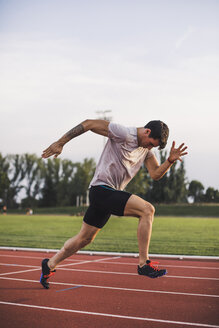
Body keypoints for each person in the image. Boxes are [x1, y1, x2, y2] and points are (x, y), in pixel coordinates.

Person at [40, 119, 188, 289]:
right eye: (150, 143)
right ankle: (143, 264)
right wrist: (60, 143)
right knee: (147, 210)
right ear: (147, 132)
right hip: (101, 189)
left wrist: (169, 161)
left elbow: (155, 174)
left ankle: (50, 264)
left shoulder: (145, 151)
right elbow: (89, 124)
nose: (149, 148)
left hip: (107, 196)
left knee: (84, 238)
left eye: (153, 147)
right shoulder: (123, 133)